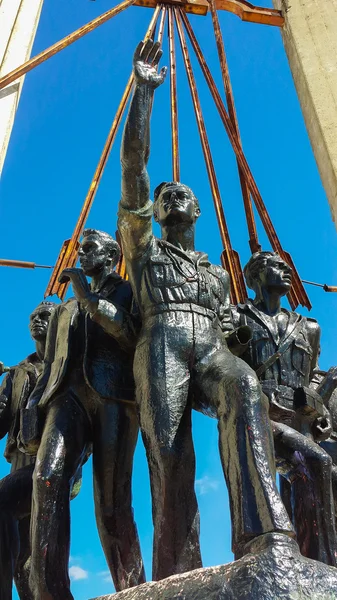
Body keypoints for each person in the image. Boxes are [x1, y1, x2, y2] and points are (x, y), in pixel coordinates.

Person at [118, 39, 295, 582]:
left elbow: (234, 333)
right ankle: (179, 567)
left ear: (195, 210)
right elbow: (134, 165)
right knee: (171, 455)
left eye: (180, 194)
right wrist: (144, 92)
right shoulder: (142, 247)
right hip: (161, 341)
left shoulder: (217, 274)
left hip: (210, 346)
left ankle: (264, 534)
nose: (170, 197)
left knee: (244, 388)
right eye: (163, 194)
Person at [24, 229, 144, 600]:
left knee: (112, 504)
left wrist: (88, 297)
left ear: (111, 255)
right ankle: (50, 592)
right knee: (46, 479)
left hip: (114, 396)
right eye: (80, 249)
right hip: (67, 397)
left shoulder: (128, 291)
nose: (82, 254)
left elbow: (129, 335)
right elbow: (51, 363)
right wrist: (34, 403)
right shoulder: (64, 310)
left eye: (90, 249)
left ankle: (136, 590)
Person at [231, 251, 337, 565]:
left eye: (287, 266)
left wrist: (323, 413)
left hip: (301, 420)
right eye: (277, 266)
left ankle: (303, 561)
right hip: (261, 413)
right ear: (254, 277)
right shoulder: (237, 317)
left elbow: (312, 376)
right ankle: (322, 565)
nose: (287, 270)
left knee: (301, 486)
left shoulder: (310, 328)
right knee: (311, 465)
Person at [0, 301, 56, 599]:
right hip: (20, 462)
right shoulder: (16, 373)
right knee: (23, 558)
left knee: (2, 499)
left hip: (56, 460)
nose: (37, 320)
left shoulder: (67, 362)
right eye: (33, 316)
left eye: (45, 316)